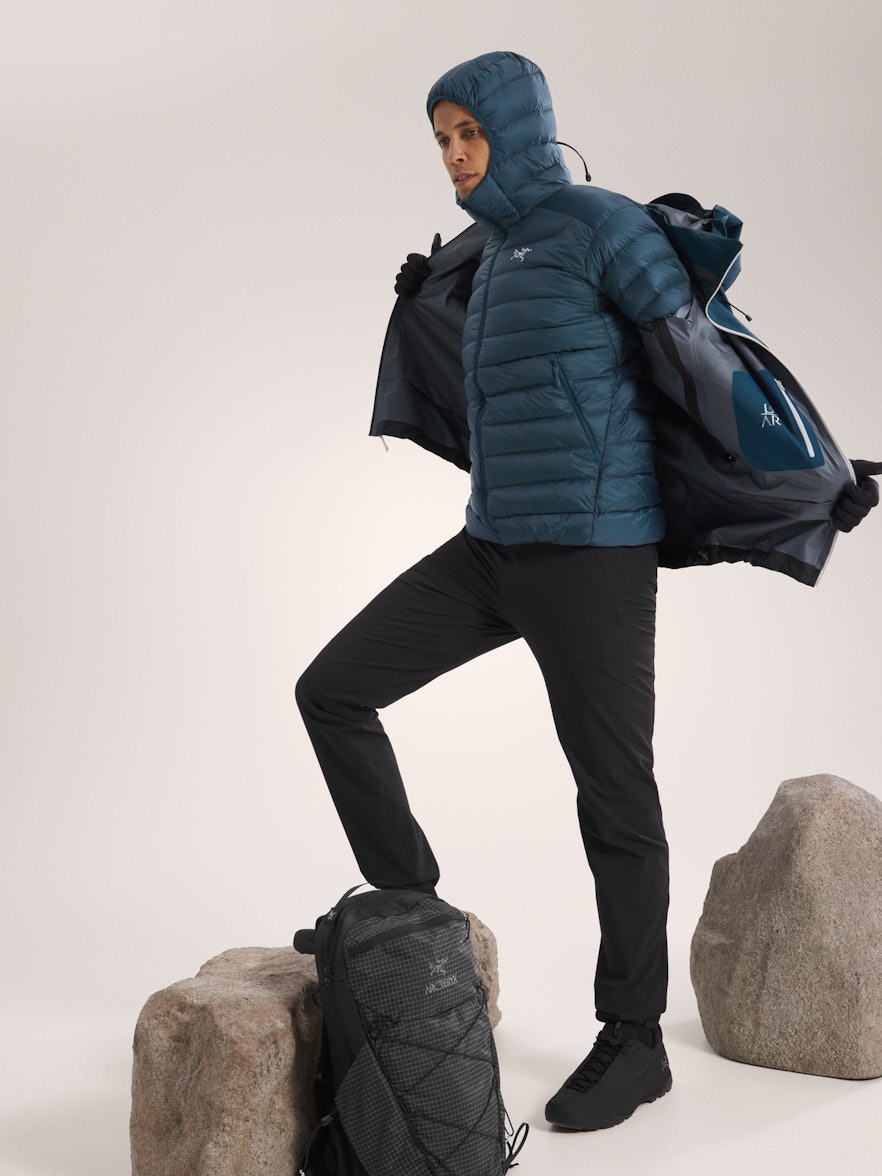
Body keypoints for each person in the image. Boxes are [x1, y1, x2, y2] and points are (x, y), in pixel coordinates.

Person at [296, 50, 879, 1133]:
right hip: (491, 551)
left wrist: (813, 472)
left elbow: (709, 361)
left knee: (614, 797)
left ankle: (635, 1040)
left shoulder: (604, 227)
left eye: (469, 133)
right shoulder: (489, 255)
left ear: (519, 130)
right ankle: (411, 907)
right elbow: (500, 394)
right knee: (331, 691)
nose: (453, 155)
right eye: (442, 139)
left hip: (592, 561)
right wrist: (425, 303)